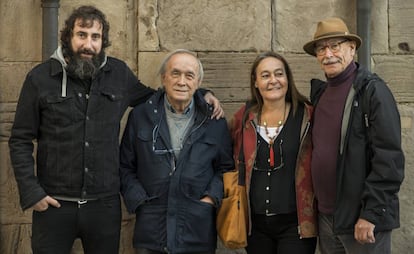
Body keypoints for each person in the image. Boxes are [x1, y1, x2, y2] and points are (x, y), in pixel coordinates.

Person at [8, 6, 223, 254]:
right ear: (68, 37)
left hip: (104, 208)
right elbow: (20, 139)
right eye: (82, 34)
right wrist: (31, 192)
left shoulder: (118, 74)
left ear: (103, 41)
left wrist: (202, 94)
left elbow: (157, 98)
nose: (88, 44)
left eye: (95, 37)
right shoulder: (40, 78)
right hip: (54, 205)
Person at [303, 17, 405, 254]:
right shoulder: (320, 93)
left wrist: (371, 214)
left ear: (352, 48)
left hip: (362, 221)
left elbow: (389, 159)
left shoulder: (372, 91)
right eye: (321, 48)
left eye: (335, 46)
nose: (328, 54)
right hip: (327, 219)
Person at [119, 49, 234, 254]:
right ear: (164, 78)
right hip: (152, 229)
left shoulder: (214, 121)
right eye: (175, 73)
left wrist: (209, 200)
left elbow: (225, 169)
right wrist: (140, 201)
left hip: (196, 229)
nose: (182, 81)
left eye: (189, 76)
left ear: (198, 83)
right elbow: (125, 166)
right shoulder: (141, 116)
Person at [229, 51, 317, 254]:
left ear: (287, 78)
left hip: (296, 224)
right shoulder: (245, 117)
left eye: (279, 74)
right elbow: (220, 147)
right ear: (255, 82)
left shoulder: (307, 115)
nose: (273, 81)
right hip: (255, 225)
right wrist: (204, 95)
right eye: (265, 75)